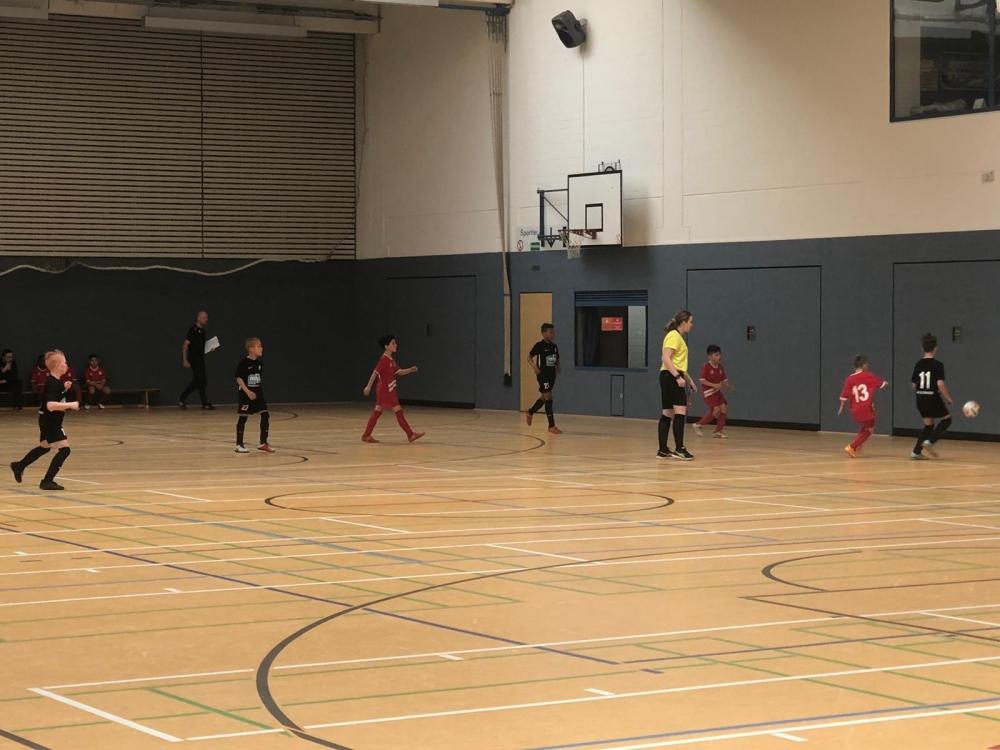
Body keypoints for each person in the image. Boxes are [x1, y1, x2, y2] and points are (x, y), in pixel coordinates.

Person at [9, 350, 79, 491]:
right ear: (58, 365)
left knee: (45, 447)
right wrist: (70, 405)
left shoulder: (56, 382)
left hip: (48, 420)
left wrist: (64, 389)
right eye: (65, 363)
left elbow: (54, 396)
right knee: (65, 450)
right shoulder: (53, 383)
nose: (67, 365)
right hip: (51, 421)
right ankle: (47, 481)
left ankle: (19, 465)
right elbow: (50, 405)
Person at [362, 335, 425, 443]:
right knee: (398, 411)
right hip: (386, 390)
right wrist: (368, 386)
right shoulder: (384, 360)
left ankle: (366, 435)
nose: (396, 345)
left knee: (377, 411)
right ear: (386, 346)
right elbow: (375, 373)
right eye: (393, 343)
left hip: (386, 389)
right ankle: (410, 435)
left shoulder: (391, 360)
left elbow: (399, 372)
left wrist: (410, 370)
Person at [658, 311, 697, 460]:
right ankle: (679, 448)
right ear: (684, 322)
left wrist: (689, 380)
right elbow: (666, 358)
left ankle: (663, 449)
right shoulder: (674, 336)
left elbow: (678, 363)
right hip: (671, 376)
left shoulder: (676, 336)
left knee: (668, 413)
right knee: (680, 411)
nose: (692, 325)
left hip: (670, 375)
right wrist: (677, 376)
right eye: (690, 321)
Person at [911, 333, 953, 460]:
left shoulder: (918, 364)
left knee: (929, 425)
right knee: (947, 420)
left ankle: (916, 452)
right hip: (932, 397)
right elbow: (940, 384)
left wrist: (921, 392)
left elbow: (914, 384)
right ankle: (930, 442)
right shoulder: (938, 365)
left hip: (920, 398)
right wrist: (948, 398)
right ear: (935, 348)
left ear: (922, 348)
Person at [838, 354, 888, 458]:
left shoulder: (849, 379)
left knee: (864, 426)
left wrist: (841, 406)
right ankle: (852, 446)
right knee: (870, 430)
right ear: (864, 365)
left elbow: (844, 395)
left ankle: (858, 445)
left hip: (854, 409)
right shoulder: (868, 376)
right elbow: (881, 384)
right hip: (866, 408)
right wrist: (886, 383)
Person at [234, 338, 274, 454]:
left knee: (265, 415)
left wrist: (257, 393)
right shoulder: (243, 363)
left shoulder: (259, 364)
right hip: (246, 394)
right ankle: (239, 444)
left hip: (258, 394)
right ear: (251, 349)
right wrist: (248, 392)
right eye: (259, 346)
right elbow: (239, 378)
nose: (261, 348)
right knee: (243, 417)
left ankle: (263, 442)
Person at [526, 323, 562, 434]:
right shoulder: (539, 346)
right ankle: (551, 425)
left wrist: (558, 366)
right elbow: (529, 357)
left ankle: (530, 412)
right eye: (550, 332)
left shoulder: (554, 346)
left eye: (553, 332)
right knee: (549, 397)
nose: (552, 335)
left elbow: (556, 358)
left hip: (552, 375)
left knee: (544, 397)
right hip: (543, 375)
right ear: (543, 333)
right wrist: (534, 366)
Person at [693, 344, 735, 438]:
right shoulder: (706, 367)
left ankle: (718, 431)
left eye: (719, 354)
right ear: (710, 356)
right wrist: (714, 385)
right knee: (716, 410)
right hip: (708, 393)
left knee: (724, 408)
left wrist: (729, 386)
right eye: (716, 355)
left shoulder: (720, 367)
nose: (719, 356)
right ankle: (699, 424)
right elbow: (702, 380)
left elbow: (724, 380)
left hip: (717, 393)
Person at [179, 311, 215, 410]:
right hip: (194, 359)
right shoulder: (193, 330)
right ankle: (203, 403)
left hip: (200, 358)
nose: (206, 319)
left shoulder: (203, 331)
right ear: (198, 318)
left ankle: (184, 399)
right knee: (200, 380)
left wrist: (210, 349)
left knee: (199, 381)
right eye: (204, 317)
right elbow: (186, 344)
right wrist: (185, 359)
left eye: (207, 318)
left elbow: (200, 346)